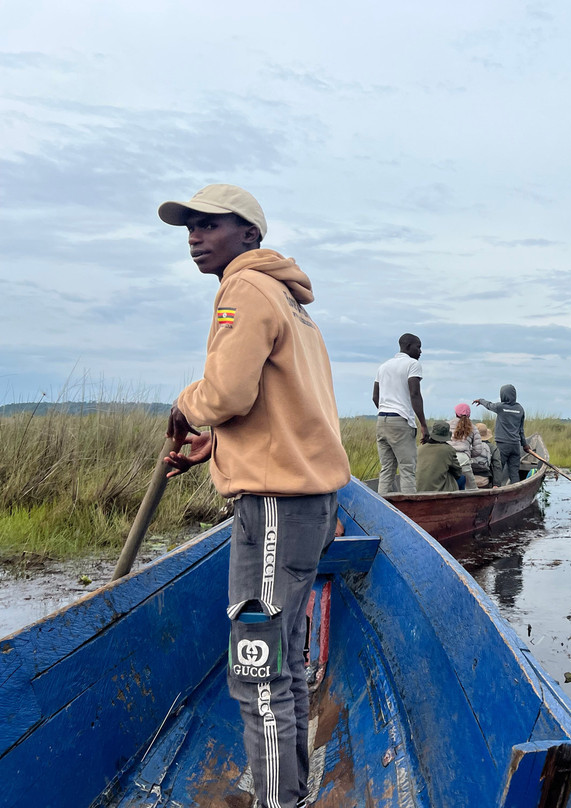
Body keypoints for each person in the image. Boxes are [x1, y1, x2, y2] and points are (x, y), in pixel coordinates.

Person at [158, 183, 350, 808]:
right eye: (189, 227)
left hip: (274, 507)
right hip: (303, 503)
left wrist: (185, 408)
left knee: (258, 671)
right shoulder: (292, 302)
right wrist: (217, 448)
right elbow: (283, 411)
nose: (194, 236)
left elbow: (228, 394)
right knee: (284, 664)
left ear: (248, 234)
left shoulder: (242, 289)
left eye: (208, 224)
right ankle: (288, 792)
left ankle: (278, 801)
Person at [372, 334, 428, 494]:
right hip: (400, 421)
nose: (420, 351)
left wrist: (387, 410)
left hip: (382, 420)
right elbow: (415, 393)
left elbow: (375, 397)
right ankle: (410, 514)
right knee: (407, 469)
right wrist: (423, 425)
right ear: (408, 346)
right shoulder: (412, 364)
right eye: (418, 347)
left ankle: (382, 507)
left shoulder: (383, 366)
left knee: (387, 469)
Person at [474, 385, 529, 486]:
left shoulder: (500, 407)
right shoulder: (520, 409)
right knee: (514, 472)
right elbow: (521, 430)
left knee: (498, 469)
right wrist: (525, 444)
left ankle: (496, 490)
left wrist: (480, 400)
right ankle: (515, 491)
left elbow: (489, 405)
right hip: (515, 445)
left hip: (503, 445)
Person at [416, 421, 462, 492]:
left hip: (418, 490)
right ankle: (458, 502)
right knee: (462, 479)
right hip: (438, 491)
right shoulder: (448, 450)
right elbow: (458, 473)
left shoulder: (419, 448)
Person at [448, 403, 484, 490]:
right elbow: (478, 450)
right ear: (469, 414)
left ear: (456, 413)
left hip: (448, 458)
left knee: (448, 485)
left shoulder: (448, 424)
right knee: (472, 490)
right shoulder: (473, 428)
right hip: (463, 459)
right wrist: (468, 454)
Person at [474, 422, 502, 488]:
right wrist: (496, 484)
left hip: (469, 480)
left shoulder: (468, 446)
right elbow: (497, 466)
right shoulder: (493, 447)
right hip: (484, 481)